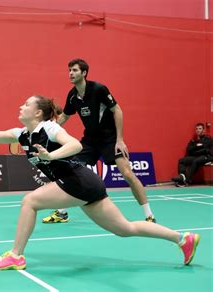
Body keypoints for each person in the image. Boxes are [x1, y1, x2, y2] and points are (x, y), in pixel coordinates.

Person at [0, 95, 199, 270]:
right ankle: (182, 238)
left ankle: (16, 255)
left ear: (38, 112)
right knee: (124, 228)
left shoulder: (50, 129)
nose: (21, 107)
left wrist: (50, 155)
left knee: (30, 201)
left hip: (77, 180)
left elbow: (75, 144)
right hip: (83, 184)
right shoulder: (22, 135)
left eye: (26, 104)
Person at [43, 59, 156, 224]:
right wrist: (48, 131)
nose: (71, 73)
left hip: (110, 139)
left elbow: (117, 110)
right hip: (90, 140)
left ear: (84, 73)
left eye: (74, 70)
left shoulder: (98, 89)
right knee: (68, 170)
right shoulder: (73, 95)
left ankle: (149, 215)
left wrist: (120, 140)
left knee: (127, 174)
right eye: (69, 70)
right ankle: (62, 213)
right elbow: (65, 116)